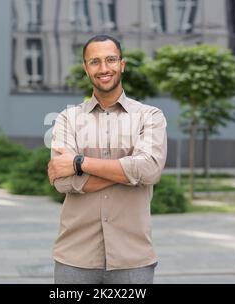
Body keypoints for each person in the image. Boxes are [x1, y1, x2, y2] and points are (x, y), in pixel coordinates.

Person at [48, 34, 167, 284]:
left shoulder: (150, 116)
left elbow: (150, 170)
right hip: (75, 258)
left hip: (132, 259)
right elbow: (61, 182)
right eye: (95, 62)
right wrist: (128, 172)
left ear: (122, 64)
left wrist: (79, 164)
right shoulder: (67, 119)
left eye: (110, 60)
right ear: (86, 68)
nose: (104, 68)